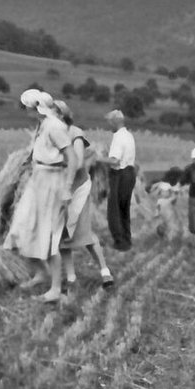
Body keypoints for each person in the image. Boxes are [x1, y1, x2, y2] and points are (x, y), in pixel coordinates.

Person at [3, 89, 76, 303]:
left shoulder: (54, 127)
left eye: (27, 107)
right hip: (38, 179)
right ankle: (40, 273)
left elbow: (72, 158)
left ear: (37, 108)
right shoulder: (43, 126)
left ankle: (55, 289)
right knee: (21, 228)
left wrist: (67, 188)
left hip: (53, 183)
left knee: (49, 234)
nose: (24, 111)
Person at [53, 100, 115, 291]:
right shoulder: (49, 133)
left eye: (54, 113)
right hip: (57, 189)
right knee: (60, 235)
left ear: (62, 114)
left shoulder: (75, 133)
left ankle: (105, 272)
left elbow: (78, 162)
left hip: (77, 188)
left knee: (84, 233)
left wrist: (52, 163)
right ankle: (71, 279)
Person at [102, 109, 137, 254]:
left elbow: (114, 161)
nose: (108, 125)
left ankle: (119, 242)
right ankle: (127, 240)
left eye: (109, 122)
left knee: (114, 210)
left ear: (114, 121)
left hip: (119, 175)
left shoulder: (118, 137)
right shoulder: (128, 135)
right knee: (124, 208)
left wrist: (95, 159)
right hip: (130, 173)